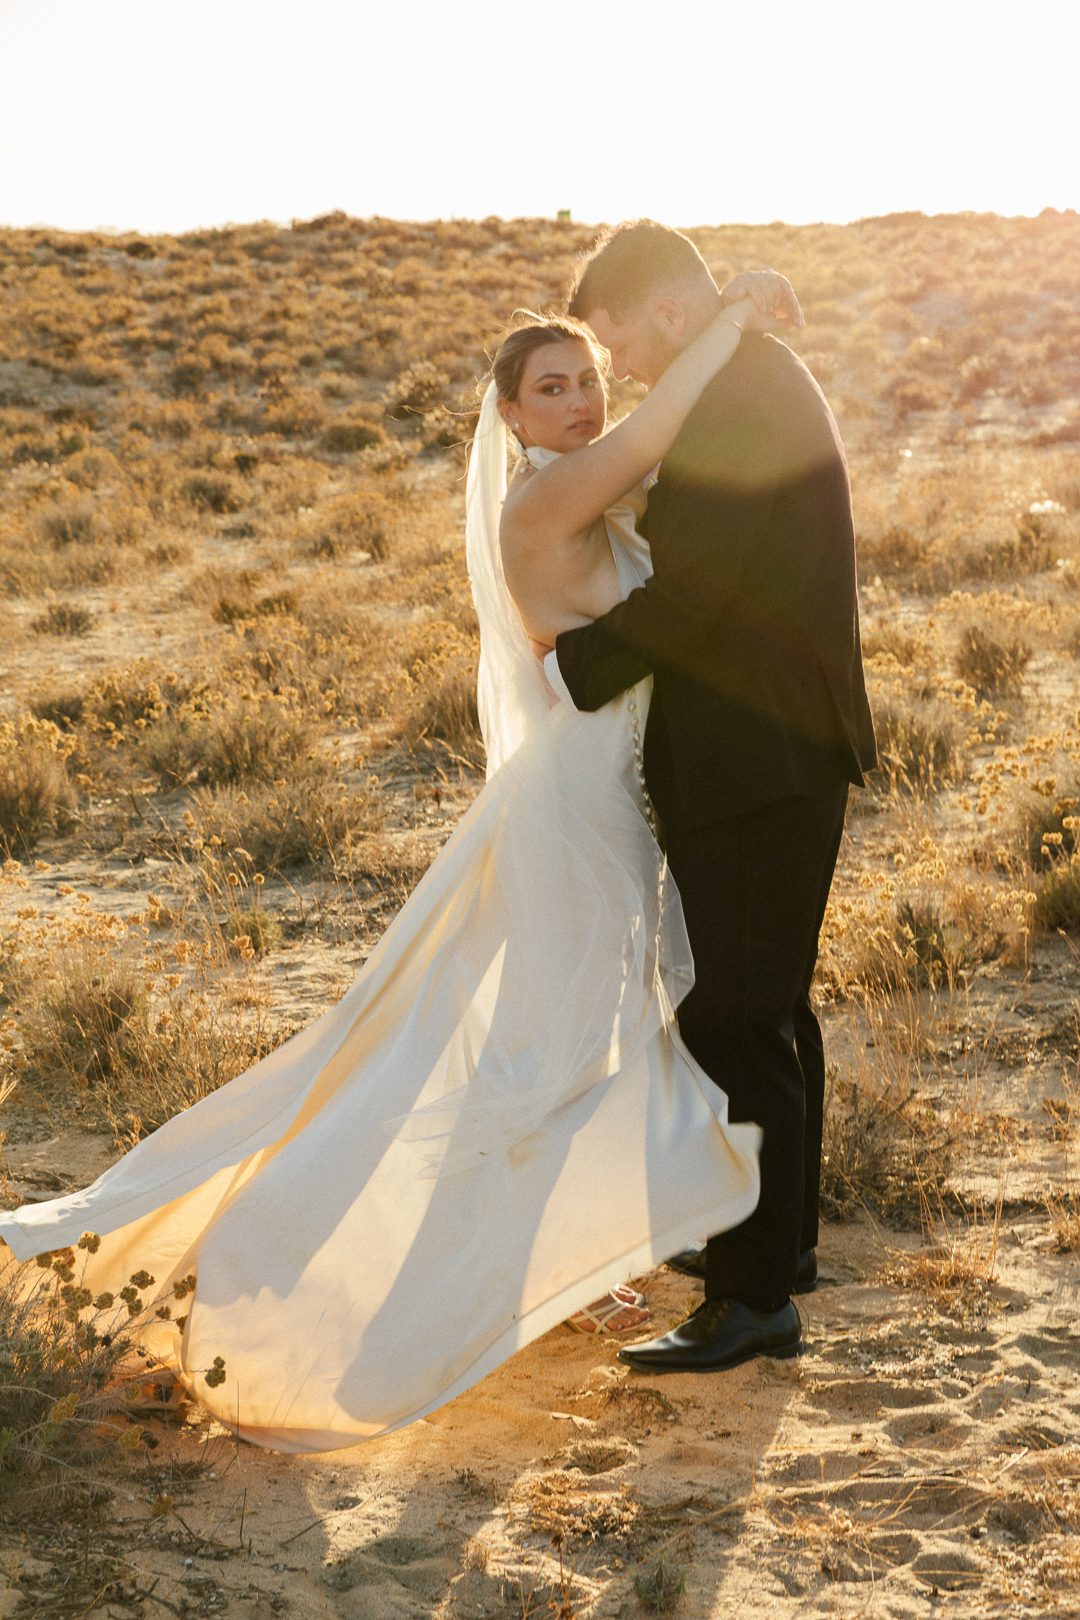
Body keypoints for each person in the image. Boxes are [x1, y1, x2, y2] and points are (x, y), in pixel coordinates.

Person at [0, 274, 794, 1451]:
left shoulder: (589, 485)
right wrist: (728, 317)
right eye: (551, 389)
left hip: (611, 803)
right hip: (576, 813)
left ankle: (547, 1261)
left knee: (573, 1032)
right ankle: (436, 1284)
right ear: (511, 415)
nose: (580, 402)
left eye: (589, 380)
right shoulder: (549, 497)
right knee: (553, 1044)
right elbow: (658, 433)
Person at [545, 221, 877, 1373]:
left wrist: (565, 672)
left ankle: (751, 1305)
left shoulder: (738, 401)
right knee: (769, 1007)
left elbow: (695, 599)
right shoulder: (743, 374)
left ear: (673, 314)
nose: (620, 365)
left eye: (620, 340)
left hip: (755, 760)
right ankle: (779, 1249)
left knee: (736, 1019)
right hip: (776, 749)